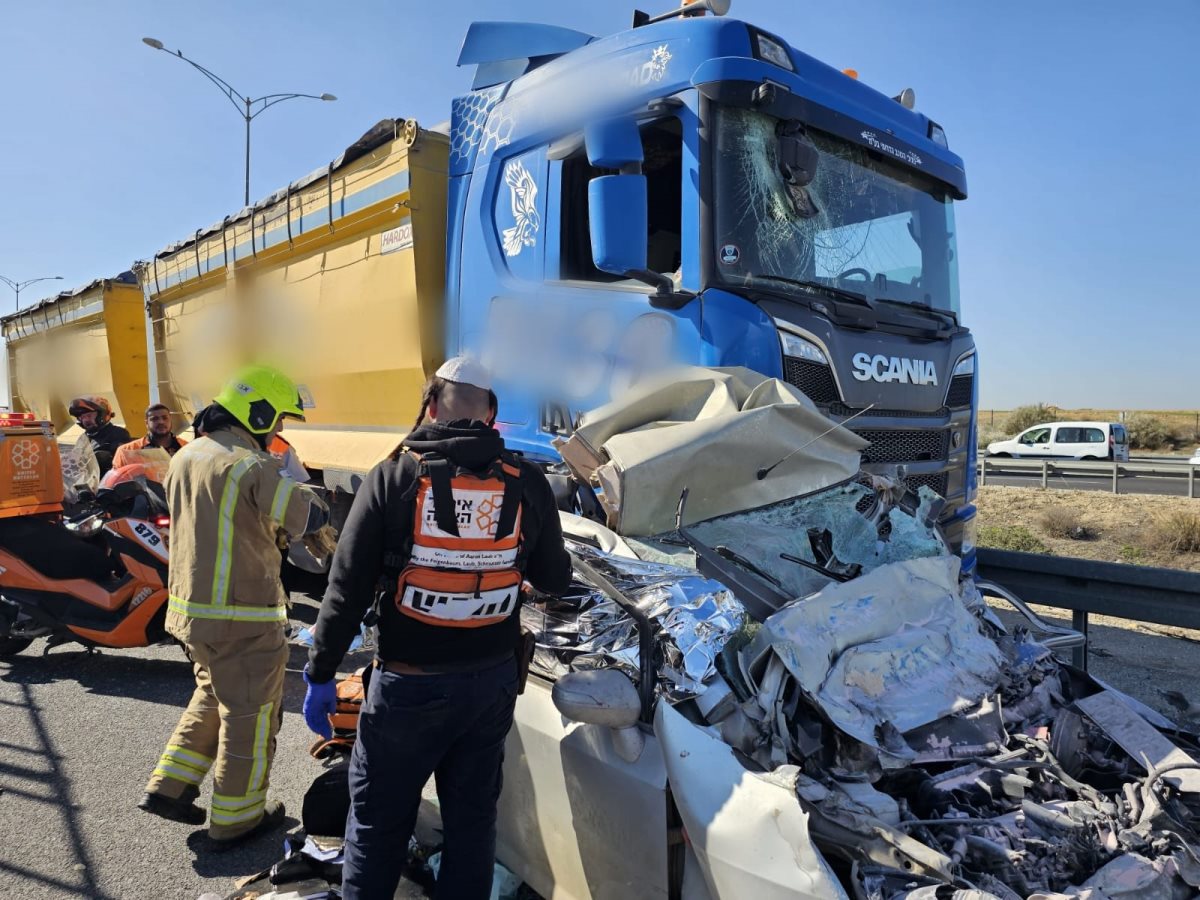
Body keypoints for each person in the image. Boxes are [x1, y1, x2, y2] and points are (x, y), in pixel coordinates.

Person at [302, 357, 571, 900]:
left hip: (409, 687)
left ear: (429, 406)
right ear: (492, 414)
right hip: (491, 684)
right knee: (473, 827)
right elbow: (554, 577)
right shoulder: (528, 482)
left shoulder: (395, 478)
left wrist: (321, 672)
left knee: (378, 825)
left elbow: (346, 588)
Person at [139, 365, 329, 847]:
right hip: (242, 615)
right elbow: (306, 515)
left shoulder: (186, 456)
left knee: (213, 693)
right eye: (279, 419)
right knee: (252, 714)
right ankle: (238, 819)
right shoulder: (250, 464)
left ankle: (170, 786)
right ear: (258, 412)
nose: (280, 429)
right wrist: (317, 501)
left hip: (191, 613)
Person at [112, 403, 187, 472]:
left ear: (171, 420)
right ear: (146, 423)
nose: (161, 422)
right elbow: (116, 480)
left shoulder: (186, 448)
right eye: (154, 419)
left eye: (165, 418)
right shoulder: (126, 452)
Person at [68, 396, 131, 475]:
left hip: (109, 482)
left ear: (102, 414)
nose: (86, 420)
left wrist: (105, 457)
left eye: (89, 415)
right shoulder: (83, 438)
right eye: (83, 417)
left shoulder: (118, 433)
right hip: (86, 482)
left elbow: (125, 460)